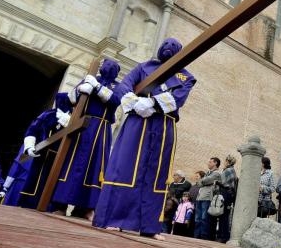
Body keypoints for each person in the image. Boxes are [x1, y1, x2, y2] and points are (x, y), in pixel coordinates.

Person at [92, 38, 196, 241]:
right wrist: (133, 101)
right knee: (126, 167)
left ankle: (150, 226)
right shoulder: (144, 67)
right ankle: (115, 219)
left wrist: (151, 104)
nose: (168, 46)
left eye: (173, 46)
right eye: (165, 44)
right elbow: (124, 85)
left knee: (156, 174)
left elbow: (178, 99)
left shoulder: (186, 77)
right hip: (137, 123)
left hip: (163, 126)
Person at [52, 59, 121, 220]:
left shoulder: (117, 86)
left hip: (101, 130)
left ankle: (85, 208)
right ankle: (60, 204)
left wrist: (96, 88)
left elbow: (115, 101)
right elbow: (70, 99)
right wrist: (79, 91)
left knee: (95, 167)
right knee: (71, 163)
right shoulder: (90, 78)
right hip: (81, 126)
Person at [16, 93, 73, 209]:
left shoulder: (74, 119)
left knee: (55, 182)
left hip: (62, 157)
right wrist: (29, 146)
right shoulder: (47, 115)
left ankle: (52, 206)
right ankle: (29, 202)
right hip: (43, 154)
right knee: (36, 179)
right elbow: (33, 130)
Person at [194, 157, 221, 240]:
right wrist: (203, 181)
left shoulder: (216, 173)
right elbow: (198, 184)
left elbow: (206, 181)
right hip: (200, 197)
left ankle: (203, 237)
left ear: (215, 163)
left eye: (210, 162)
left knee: (204, 219)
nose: (208, 163)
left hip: (207, 198)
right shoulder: (207, 173)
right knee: (197, 219)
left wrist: (203, 181)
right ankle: (196, 236)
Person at [218, 155, 238, 243]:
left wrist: (217, 183)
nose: (224, 162)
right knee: (224, 215)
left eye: (225, 161)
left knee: (224, 215)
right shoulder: (231, 170)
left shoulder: (228, 170)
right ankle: (222, 236)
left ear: (228, 161)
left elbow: (224, 183)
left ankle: (223, 237)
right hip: (228, 194)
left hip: (226, 193)